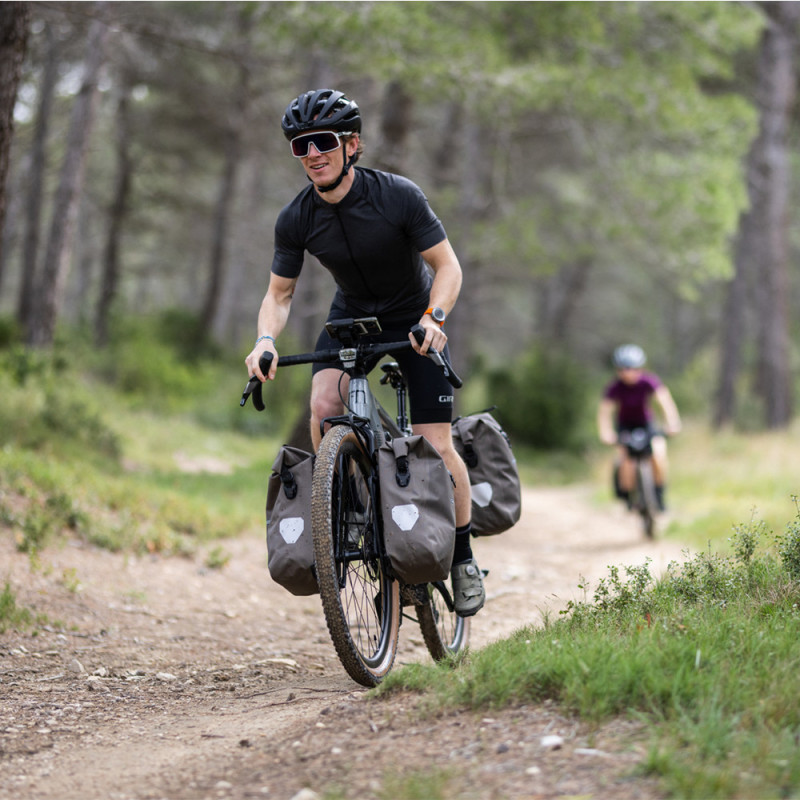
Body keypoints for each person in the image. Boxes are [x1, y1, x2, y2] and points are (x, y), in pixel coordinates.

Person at [244, 89, 484, 617]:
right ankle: (349, 506)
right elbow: (279, 295)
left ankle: (463, 556)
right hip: (349, 317)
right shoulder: (296, 217)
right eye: (301, 145)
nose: (313, 153)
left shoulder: (398, 196)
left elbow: (448, 267)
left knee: (437, 445)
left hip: (414, 318)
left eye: (323, 141)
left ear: (352, 144)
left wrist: (434, 318)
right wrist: (265, 341)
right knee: (324, 406)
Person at [597, 344, 682, 511]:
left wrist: (673, 423)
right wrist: (606, 433)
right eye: (623, 369)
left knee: (658, 455)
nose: (627, 373)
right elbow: (604, 412)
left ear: (640, 368)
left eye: (632, 368)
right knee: (625, 461)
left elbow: (665, 402)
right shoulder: (614, 387)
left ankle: (659, 496)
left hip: (646, 424)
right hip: (624, 426)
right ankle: (628, 496)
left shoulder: (648, 381)